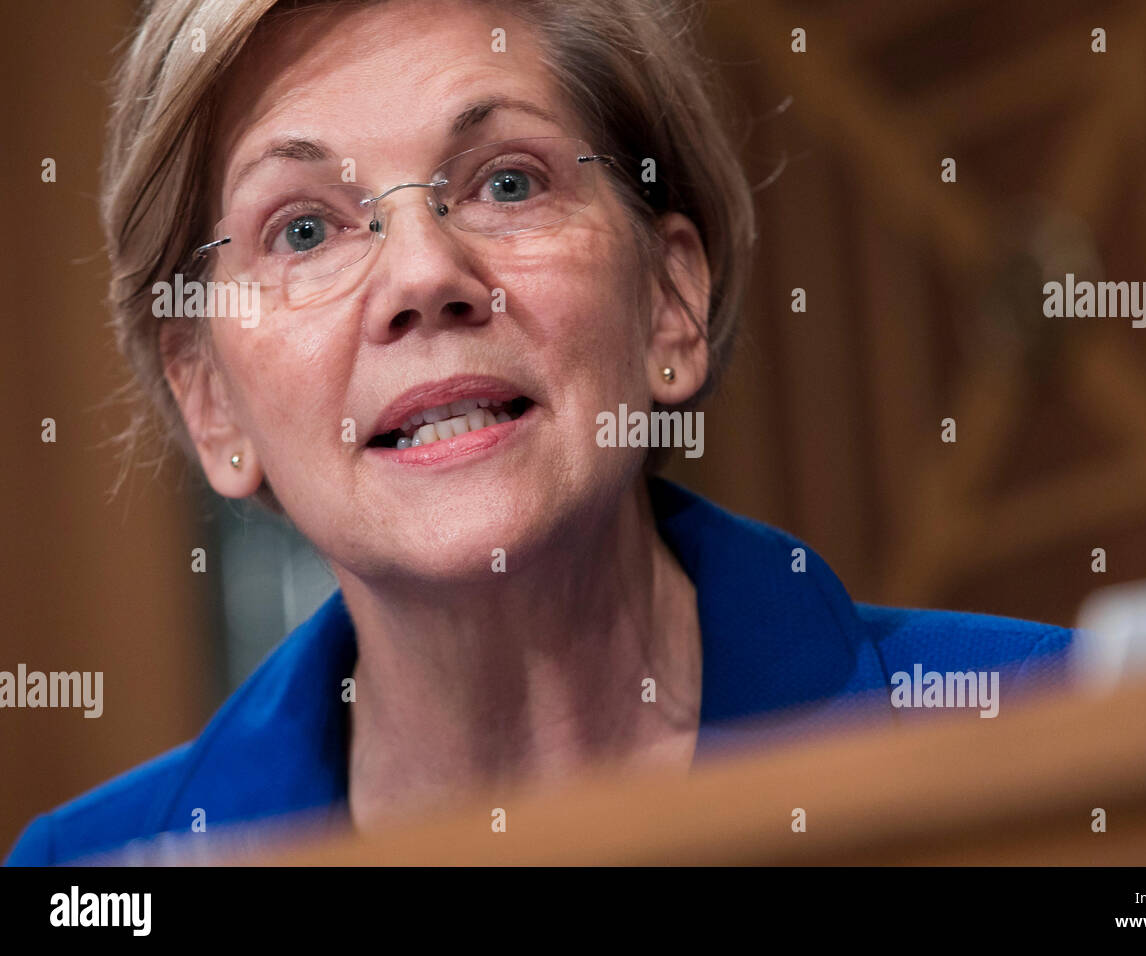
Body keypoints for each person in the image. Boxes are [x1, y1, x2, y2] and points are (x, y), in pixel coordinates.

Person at [5, 0, 1071, 866]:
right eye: (304, 229)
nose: (423, 275)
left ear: (669, 302)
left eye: (507, 182)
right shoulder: (89, 875)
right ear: (212, 403)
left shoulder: (1050, 732)